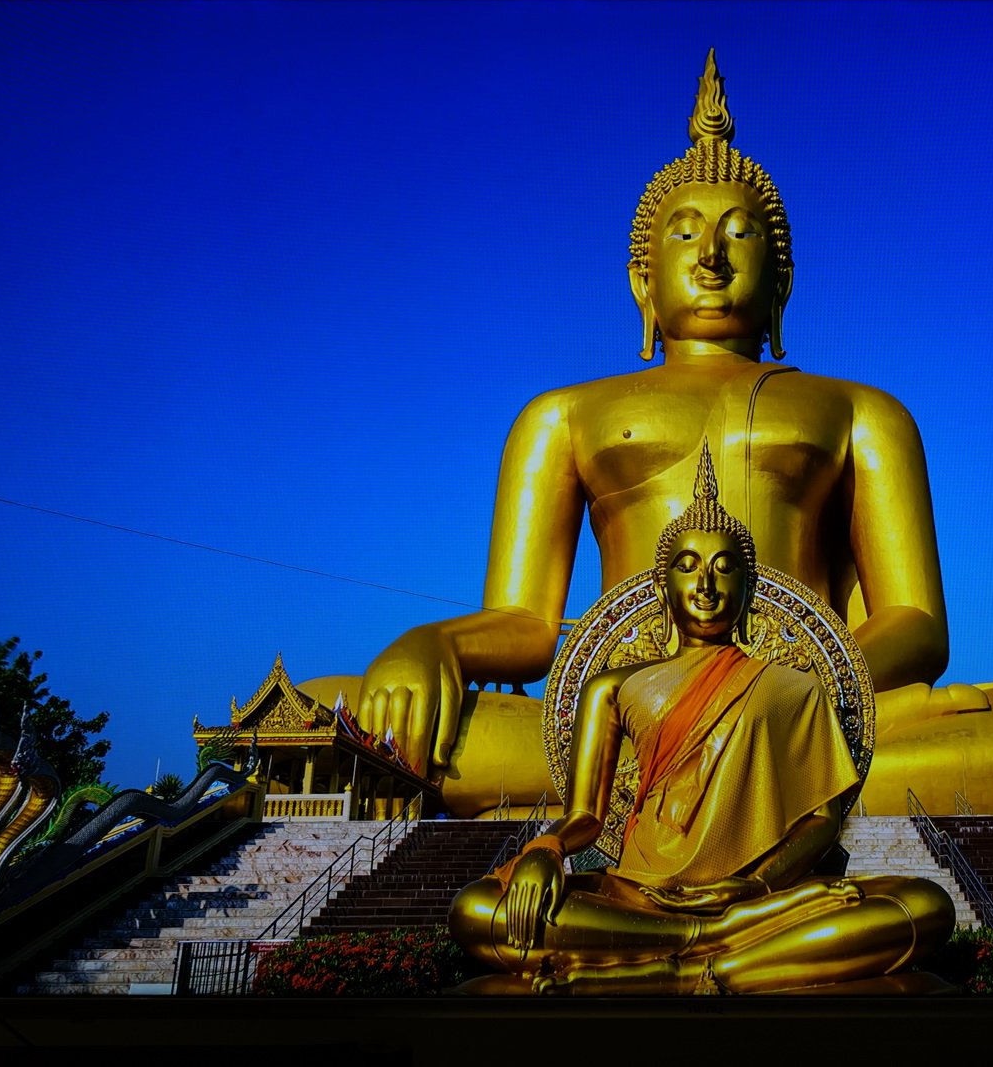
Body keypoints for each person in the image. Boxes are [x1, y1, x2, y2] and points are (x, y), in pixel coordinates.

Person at [358, 51, 952, 793]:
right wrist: (432, 644)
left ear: (782, 283)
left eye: (740, 234)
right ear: (642, 281)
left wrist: (791, 691)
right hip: (619, 731)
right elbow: (527, 624)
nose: (711, 258)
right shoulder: (563, 415)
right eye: (685, 233)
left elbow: (916, 620)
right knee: (345, 707)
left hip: (795, 717)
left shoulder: (864, 412)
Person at [448, 451, 953, 994]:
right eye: (687, 566)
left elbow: (821, 822)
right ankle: (717, 944)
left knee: (923, 905)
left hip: (754, 896)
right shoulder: (610, 687)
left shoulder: (797, 688)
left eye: (725, 567)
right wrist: (545, 851)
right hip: (640, 896)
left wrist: (756, 887)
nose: (706, 584)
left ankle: (683, 969)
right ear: (660, 586)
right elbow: (585, 817)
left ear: (750, 588)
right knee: (479, 911)